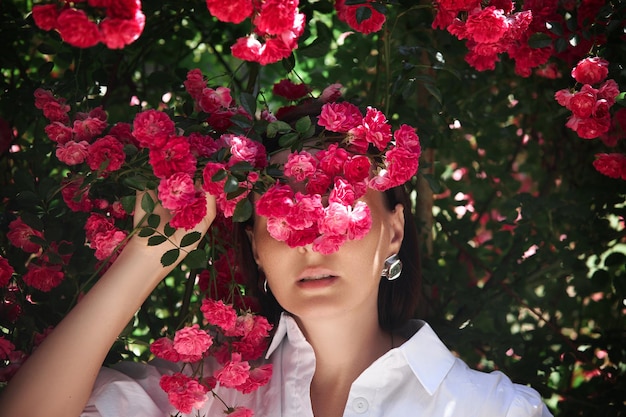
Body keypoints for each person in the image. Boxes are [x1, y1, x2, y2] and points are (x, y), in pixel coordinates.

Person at [0, 103, 553, 417]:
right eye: (281, 216)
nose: (311, 241)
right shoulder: (205, 395)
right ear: (257, 250)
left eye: (338, 207)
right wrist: (147, 257)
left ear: (393, 231)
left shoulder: (495, 410)